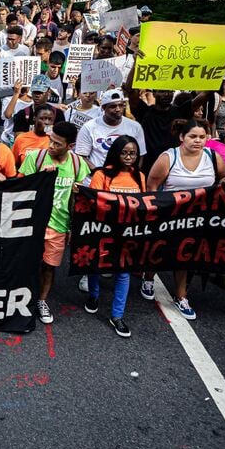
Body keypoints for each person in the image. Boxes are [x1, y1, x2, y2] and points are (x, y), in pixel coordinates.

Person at [145, 119, 225, 319]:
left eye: (202, 137)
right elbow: (152, 186)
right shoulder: (168, 157)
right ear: (182, 137)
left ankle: (181, 296)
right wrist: (154, 213)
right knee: (159, 250)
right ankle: (148, 277)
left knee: (185, 255)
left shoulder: (213, 156)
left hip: (198, 217)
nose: (198, 141)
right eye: (193, 136)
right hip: (168, 215)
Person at [18, 121, 89, 324]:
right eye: (51, 141)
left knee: (49, 266)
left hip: (59, 225)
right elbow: (19, 188)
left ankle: (41, 301)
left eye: (58, 144)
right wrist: (40, 178)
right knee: (27, 263)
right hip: (32, 224)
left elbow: (84, 196)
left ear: (70, 146)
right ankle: (21, 299)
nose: (51, 146)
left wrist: (74, 225)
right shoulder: (36, 158)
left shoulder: (77, 164)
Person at [84, 136, 145, 338]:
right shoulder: (101, 175)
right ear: (116, 153)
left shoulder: (140, 177)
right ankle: (93, 296)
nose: (129, 157)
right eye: (124, 152)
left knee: (123, 273)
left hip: (127, 234)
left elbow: (144, 203)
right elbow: (93, 202)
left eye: (133, 153)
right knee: (96, 267)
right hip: (103, 231)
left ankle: (117, 316)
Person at [76, 88, 147, 170]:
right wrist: (99, 173)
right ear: (103, 108)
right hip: (95, 179)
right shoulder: (89, 127)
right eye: (113, 106)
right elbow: (81, 156)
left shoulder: (135, 127)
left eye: (121, 105)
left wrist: (131, 175)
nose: (118, 109)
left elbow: (140, 155)